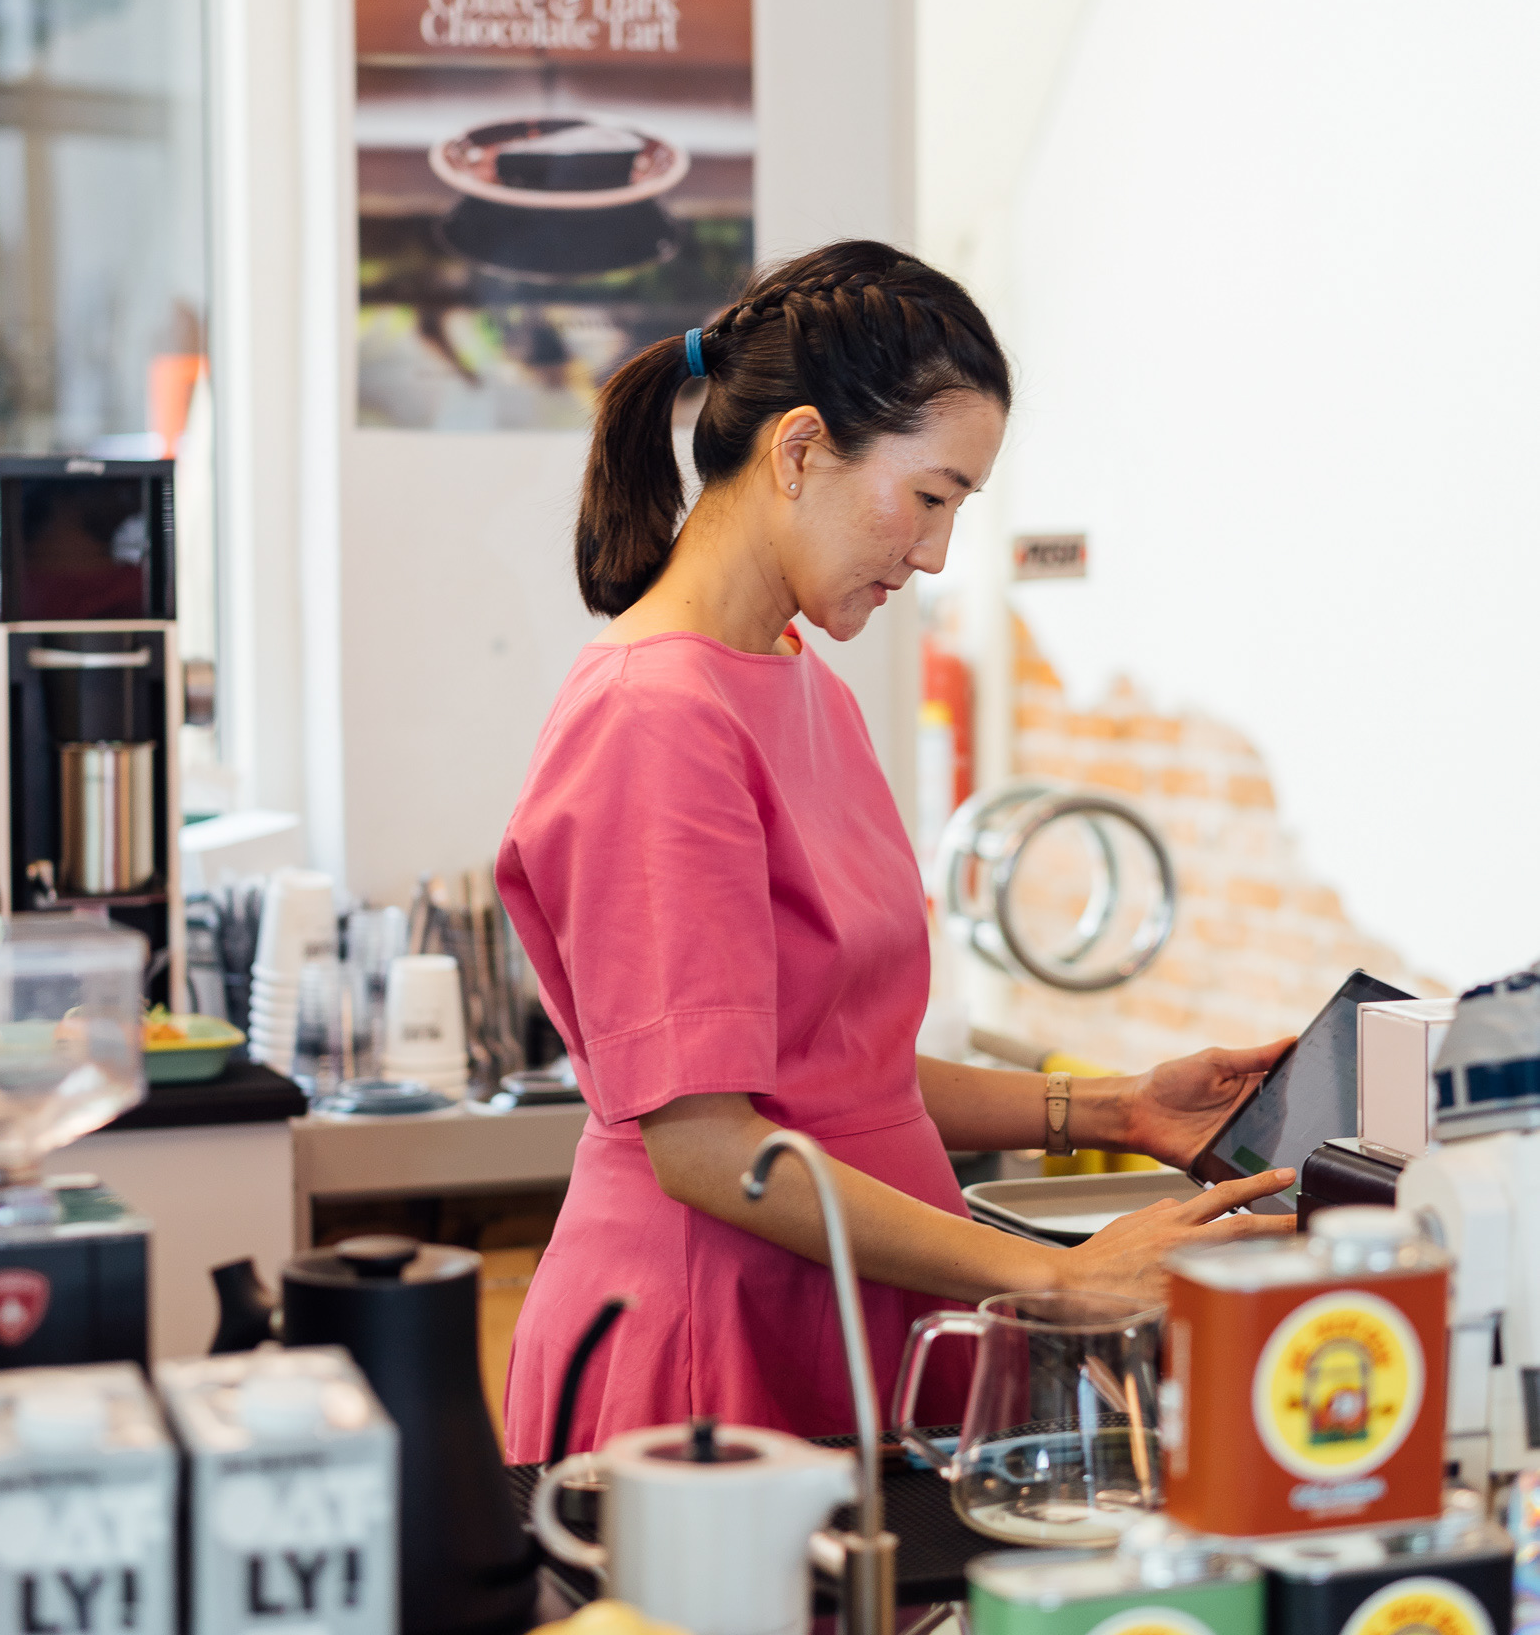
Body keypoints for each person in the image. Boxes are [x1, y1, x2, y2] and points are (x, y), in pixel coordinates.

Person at [496, 242, 1294, 1457]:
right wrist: (1050, 1272)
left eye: (954, 512)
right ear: (800, 449)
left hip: (842, 1310)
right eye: (928, 498)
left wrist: (1115, 1105)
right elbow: (706, 1144)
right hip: (710, 1338)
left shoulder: (799, 682)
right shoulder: (653, 714)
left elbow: (832, 1073)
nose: (931, 556)